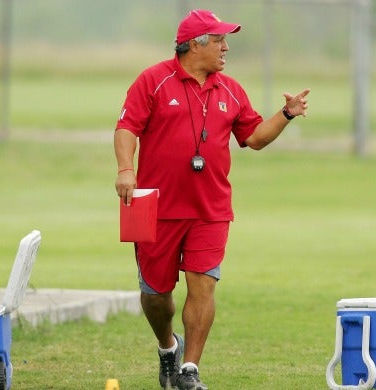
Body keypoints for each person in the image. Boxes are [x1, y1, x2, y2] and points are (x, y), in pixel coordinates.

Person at [114, 9, 309, 390]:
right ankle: (168, 345)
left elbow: (253, 138)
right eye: (219, 40)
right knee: (156, 295)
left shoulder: (232, 89)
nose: (226, 47)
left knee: (203, 284)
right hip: (154, 207)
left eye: (225, 40)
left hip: (211, 209)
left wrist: (286, 114)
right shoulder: (153, 80)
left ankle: (189, 369)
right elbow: (126, 127)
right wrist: (125, 170)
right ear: (194, 45)